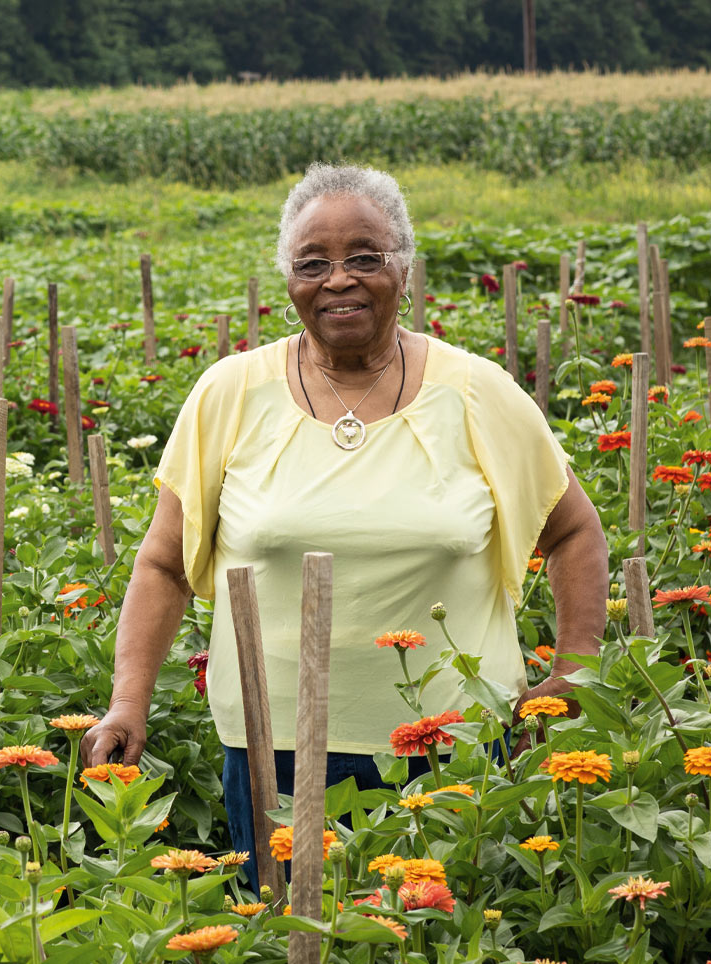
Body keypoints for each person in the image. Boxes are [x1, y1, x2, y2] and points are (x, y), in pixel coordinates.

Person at [80, 163, 609, 871]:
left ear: (406, 269)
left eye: (366, 256)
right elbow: (163, 564)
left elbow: (574, 530)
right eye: (313, 263)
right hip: (275, 749)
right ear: (288, 280)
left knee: (445, 933)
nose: (339, 278)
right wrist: (127, 701)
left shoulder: (478, 392)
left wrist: (573, 672)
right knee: (292, 933)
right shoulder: (230, 393)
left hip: (456, 748)